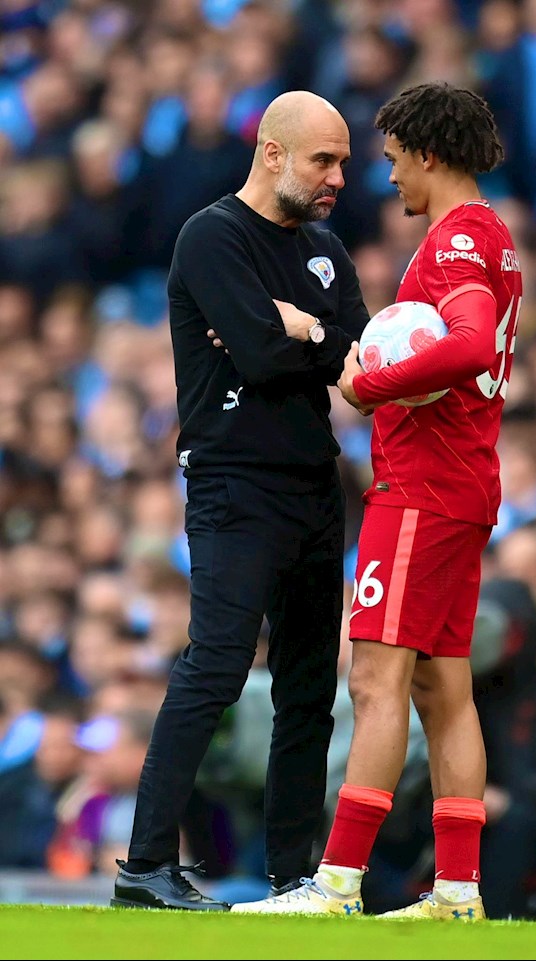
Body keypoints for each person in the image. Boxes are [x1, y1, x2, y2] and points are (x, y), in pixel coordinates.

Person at [230, 81, 522, 919]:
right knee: (443, 689)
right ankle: (459, 890)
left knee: (377, 680)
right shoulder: (493, 237)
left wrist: (371, 385)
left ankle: (337, 882)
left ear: (429, 154)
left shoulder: (457, 241)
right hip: (463, 482)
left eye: (393, 160)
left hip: (424, 489)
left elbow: (465, 344)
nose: (386, 177)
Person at [111, 90, 369, 911]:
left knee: (306, 688)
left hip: (313, 484)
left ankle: (293, 877)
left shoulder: (326, 249)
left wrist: (304, 331)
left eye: (343, 163)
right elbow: (258, 356)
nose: (338, 177)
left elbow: (361, 369)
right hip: (235, 482)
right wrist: (291, 337)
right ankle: (145, 864)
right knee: (216, 666)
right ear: (272, 154)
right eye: (323, 160)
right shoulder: (212, 235)